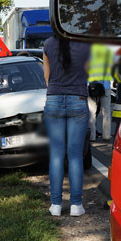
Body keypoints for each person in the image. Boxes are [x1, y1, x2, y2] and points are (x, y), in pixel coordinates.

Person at [43, 34, 91, 217]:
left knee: (56, 154)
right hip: (78, 98)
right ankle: (76, 205)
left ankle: (55, 205)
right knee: (75, 156)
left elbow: (47, 78)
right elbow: (87, 72)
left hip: (54, 98)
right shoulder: (85, 44)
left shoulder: (48, 44)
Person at [87, 43, 114, 141]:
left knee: (92, 112)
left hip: (92, 86)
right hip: (105, 86)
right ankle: (106, 136)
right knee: (106, 112)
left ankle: (92, 136)